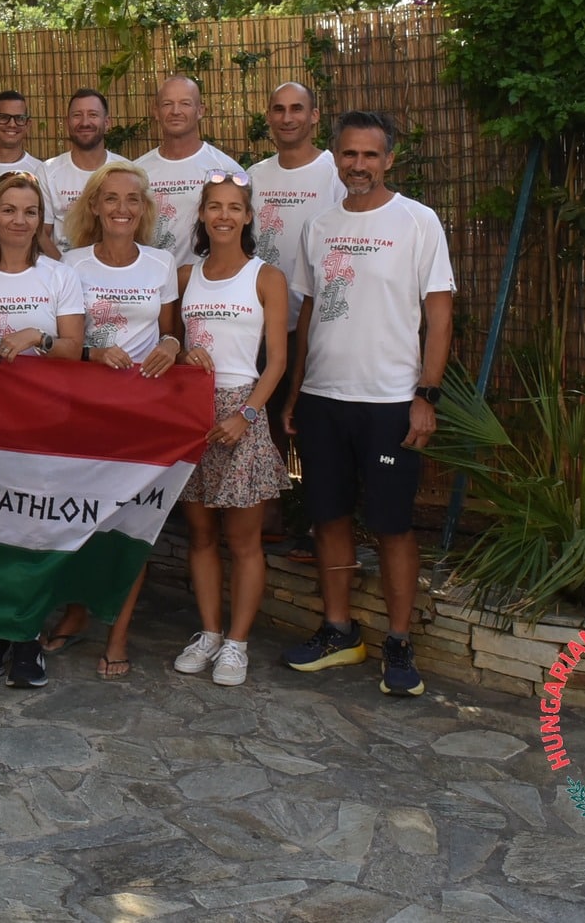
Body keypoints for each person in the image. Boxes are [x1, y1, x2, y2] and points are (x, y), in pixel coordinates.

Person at [283, 111, 454, 698]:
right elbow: (309, 312)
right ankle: (339, 631)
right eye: (349, 154)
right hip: (323, 399)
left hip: (389, 403)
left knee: (392, 526)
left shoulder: (418, 222)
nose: (359, 165)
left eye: (370, 155)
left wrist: (426, 395)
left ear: (389, 160)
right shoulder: (319, 225)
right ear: (335, 157)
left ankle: (398, 642)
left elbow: (439, 316)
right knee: (329, 518)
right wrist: (296, 390)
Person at [0, 171, 86, 689]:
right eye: (8, 209)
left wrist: (38, 337)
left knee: (34, 530)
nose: (19, 220)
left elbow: (74, 349)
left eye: (30, 211)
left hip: (44, 422)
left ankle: (27, 634)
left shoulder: (60, 276)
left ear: (40, 220)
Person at [53, 161, 183, 675]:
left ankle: (119, 635)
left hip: (140, 416)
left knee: (132, 527)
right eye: (111, 198)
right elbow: (66, 341)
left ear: (144, 208)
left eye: (132, 199)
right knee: (80, 520)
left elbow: (171, 332)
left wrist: (170, 344)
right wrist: (93, 354)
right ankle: (76, 612)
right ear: (94, 206)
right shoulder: (71, 265)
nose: (122, 209)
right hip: (83, 413)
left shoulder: (161, 263)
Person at [171, 172, 290, 686]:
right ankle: (210, 633)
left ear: (247, 216)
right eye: (214, 206)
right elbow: (168, 343)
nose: (224, 215)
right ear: (202, 214)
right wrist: (183, 355)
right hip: (194, 411)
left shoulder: (266, 277)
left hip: (243, 410)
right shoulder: (184, 277)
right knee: (200, 535)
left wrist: (247, 415)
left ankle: (237, 644)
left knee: (243, 540)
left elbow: (277, 361)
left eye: (234, 207)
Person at [245, 81, 346, 466]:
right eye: (279, 109)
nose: (287, 118)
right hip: (261, 328)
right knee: (265, 432)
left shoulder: (335, 174)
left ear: (314, 115)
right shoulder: (254, 176)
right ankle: (274, 502)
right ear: (269, 117)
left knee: (315, 433)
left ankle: (316, 500)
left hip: (317, 328)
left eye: (297, 108)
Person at [131, 75, 240, 263]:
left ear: (200, 111)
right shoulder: (137, 171)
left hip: (204, 278)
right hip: (151, 277)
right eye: (167, 104)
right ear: (156, 111)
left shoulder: (224, 169)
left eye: (185, 104)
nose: (176, 111)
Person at [39, 89, 128, 239]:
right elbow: (42, 234)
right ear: (67, 122)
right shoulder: (47, 171)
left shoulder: (126, 172)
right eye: (77, 115)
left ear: (107, 123)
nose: (85, 122)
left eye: (93, 115)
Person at [0, 91, 45, 205]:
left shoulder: (40, 172)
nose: (12, 124)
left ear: (28, 124)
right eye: (4, 117)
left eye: (19, 118)